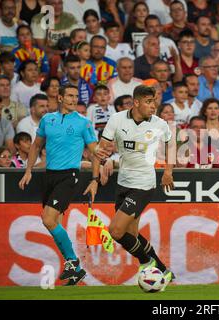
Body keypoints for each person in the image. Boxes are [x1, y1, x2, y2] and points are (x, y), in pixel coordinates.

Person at [86, 85, 175, 291]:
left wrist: (168, 171)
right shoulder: (117, 120)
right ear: (136, 102)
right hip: (123, 183)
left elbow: (171, 144)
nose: (153, 106)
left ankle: (147, 263)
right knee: (131, 235)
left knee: (116, 231)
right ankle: (163, 270)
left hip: (144, 184)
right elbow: (100, 150)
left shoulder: (160, 124)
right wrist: (94, 178)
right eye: (148, 102)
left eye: (154, 102)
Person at [19, 84, 101, 286]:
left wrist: (95, 179)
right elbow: (37, 145)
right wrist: (28, 170)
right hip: (50, 176)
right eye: (70, 96)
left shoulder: (83, 123)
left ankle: (72, 261)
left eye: (76, 96)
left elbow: (95, 152)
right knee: (55, 222)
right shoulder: (48, 119)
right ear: (60, 97)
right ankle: (76, 271)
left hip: (69, 176)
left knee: (47, 219)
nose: (74, 99)